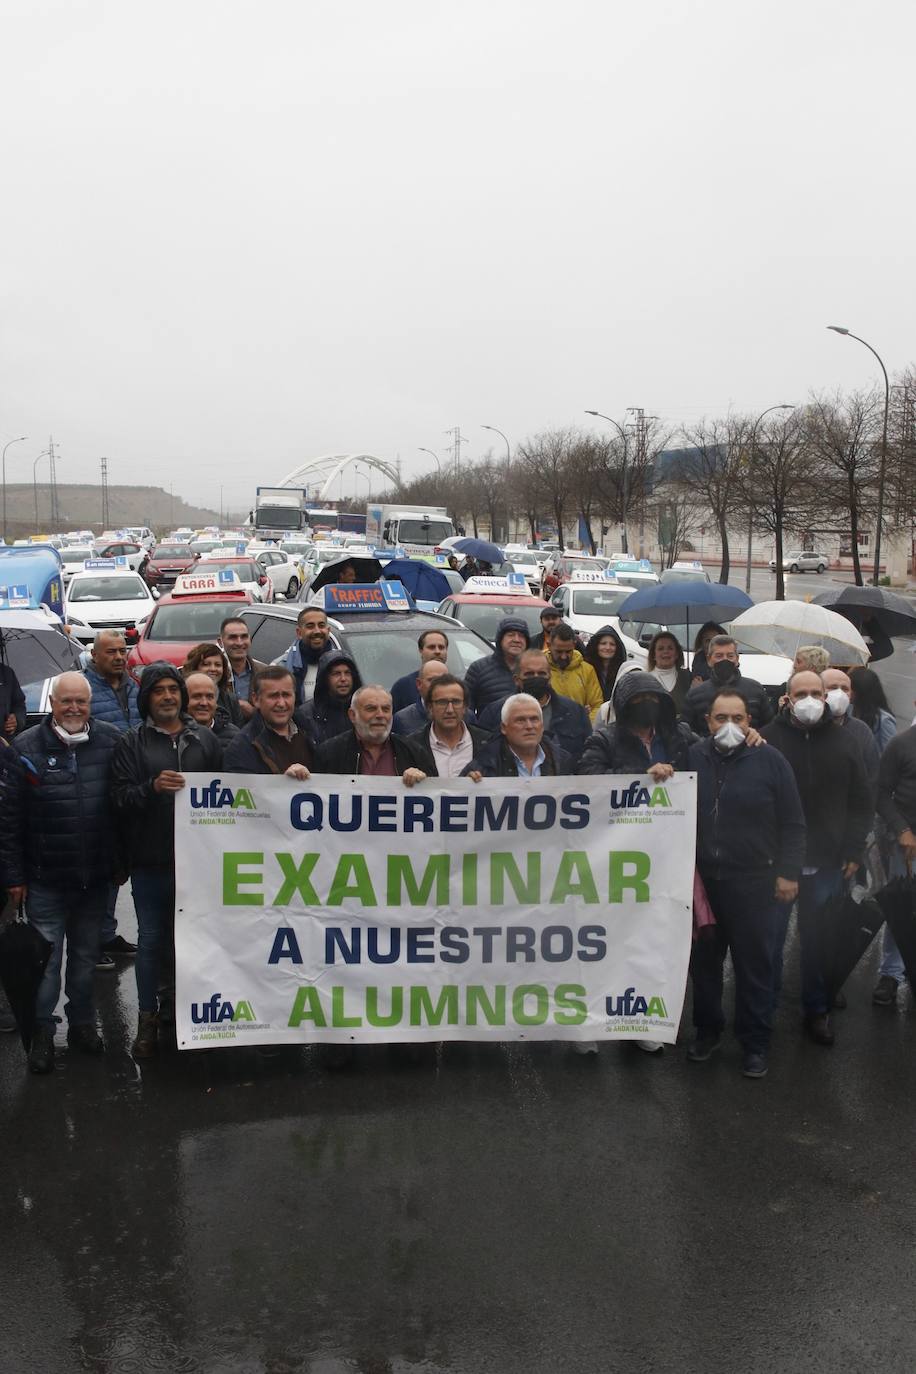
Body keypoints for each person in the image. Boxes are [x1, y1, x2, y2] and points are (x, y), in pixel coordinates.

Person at [0, 672, 122, 1073]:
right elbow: (10, 819)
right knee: (46, 965)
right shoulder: (26, 746)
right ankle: (43, 1036)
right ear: (52, 703)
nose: (73, 708)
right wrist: (14, 876)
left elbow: (120, 807)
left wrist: (118, 864)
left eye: (81, 702)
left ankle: (83, 1025)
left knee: (86, 960)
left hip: (94, 880)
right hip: (45, 878)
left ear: (89, 705)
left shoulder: (109, 740)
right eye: (65, 701)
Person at [687, 689, 806, 1079]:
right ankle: (707, 1030)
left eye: (738, 718)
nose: (730, 726)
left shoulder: (770, 760)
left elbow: (793, 822)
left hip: (754, 882)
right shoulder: (693, 756)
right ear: (708, 721)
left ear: (749, 722)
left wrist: (788, 873)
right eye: (721, 718)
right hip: (705, 883)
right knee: (704, 966)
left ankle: (755, 1042)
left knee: (755, 966)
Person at [111, 662, 223, 1059]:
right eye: (158, 690)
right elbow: (119, 799)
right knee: (152, 942)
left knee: (196, 942)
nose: (167, 696)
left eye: (173, 689)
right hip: (152, 861)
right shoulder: (131, 743)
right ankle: (147, 1020)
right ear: (147, 699)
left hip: (199, 865)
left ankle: (189, 1014)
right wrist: (152, 787)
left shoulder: (204, 740)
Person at [761, 670, 872, 1045]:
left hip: (827, 862)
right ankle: (764, 1011)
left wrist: (854, 848)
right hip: (777, 864)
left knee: (819, 941)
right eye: (801, 693)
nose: (809, 699)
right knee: (771, 941)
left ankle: (816, 1009)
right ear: (787, 698)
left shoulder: (845, 741)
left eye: (816, 692)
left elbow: (861, 801)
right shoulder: (768, 738)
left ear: (825, 697)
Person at [83, 630, 141, 964]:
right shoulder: (86, 690)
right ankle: (94, 940)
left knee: (119, 869)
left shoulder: (134, 688)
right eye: (111, 652)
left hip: (129, 788)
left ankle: (107, 933)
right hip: (99, 789)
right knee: (101, 870)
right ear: (95, 655)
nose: (119, 657)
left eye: (123, 651)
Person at [477, 649, 591, 763]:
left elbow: (587, 755)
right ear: (517, 680)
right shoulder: (495, 712)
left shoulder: (575, 712)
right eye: (529, 674)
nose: (536, 677)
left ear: (550, 678)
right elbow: (483, 756)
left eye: (542, 674)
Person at [577, 670, 695, 779]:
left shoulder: (677, 735)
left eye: (652, 697)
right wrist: (642, 775)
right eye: (639, 698)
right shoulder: (603, 740)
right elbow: (589, 777)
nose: (647, 702)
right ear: (625, 705)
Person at [876, 722, 916, 1005]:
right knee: (902, 911)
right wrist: (902, 830)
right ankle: (890, 974)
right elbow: (880, 793)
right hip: (908, 847)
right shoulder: (901, 744)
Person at [315, 685, 432, 780]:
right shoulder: (329, 753)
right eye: (371, 709)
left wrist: (422, 782)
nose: (380, 715)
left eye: (386, 709)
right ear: (352, 715)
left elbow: (434, 796)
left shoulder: (414, 753)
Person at [224, 666, 315, 775]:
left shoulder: (312, 732)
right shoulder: (241, 748)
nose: (281, 703)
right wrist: (284, 783)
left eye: (286, 695)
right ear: (256, 699)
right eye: (273, 696)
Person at [462, 693, 571, 779]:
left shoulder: (562, 761)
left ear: (542, 726)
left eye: (534, 719)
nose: (529, 726)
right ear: (504, 728)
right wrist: (467, 787)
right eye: (520, 720)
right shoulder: (483, 765)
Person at [681, 635, 774, 735]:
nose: (725, 660)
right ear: (709, 659)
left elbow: (770, 728)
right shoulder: (695, 695)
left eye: (730, 656)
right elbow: (687, 734)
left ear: (737, 659)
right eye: (719, 656)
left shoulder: (756, 689)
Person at [407, 674, 490, 778]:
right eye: (442, 702)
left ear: (465, 707)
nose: (450, 710)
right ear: (430, 707)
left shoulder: (489, 744)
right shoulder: (410, 746)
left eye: (456, 702)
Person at [298, 649, 363, 749]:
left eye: (347, 673)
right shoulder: (306, 714)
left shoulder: (363, 710)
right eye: (336, 674)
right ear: (325, 678)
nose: (343, 679)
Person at [464, 617, 530, 713]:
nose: (516, 640)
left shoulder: (535, 670)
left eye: (521, 636)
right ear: (500, 639)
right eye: (511, 635)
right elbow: (466, 710)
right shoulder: (478, 669)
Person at [278, 606, 333, 706]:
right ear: (299, 633)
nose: (317, 631)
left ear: (328, 630)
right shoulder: (281, 667)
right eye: (310, 626)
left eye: (321, 625)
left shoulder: (341, 665)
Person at [547, 625, 603, 719]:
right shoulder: (539, 669)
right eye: (559, 652)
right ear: (549, 646)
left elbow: (597, 706)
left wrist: (586, 726)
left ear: (574, 645)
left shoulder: (587, 670)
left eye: (568, 651)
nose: (564, 656)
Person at [218, 617, 266, 722]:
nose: (239, 643)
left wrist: (253, 713)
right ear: (220, 642)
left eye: (244, 637)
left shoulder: (264, 673)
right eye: (233, 637)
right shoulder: (213, 673)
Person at [181, 643, 242, 726]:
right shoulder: (181, 696)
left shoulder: (230, 700)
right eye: (206, 664)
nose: (213, 669)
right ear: (194, 667)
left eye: (218, 665)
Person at [390, 631, 450, 712]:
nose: (437, 651)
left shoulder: (458, 686)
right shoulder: (403, 687)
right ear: (421, 651)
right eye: (431, 647)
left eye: (441, 647)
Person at [391, 660, 450, 736]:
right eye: (432, 680)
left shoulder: (464, 716)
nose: (437, 685)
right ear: (419, 684)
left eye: (443, 680)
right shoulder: (402, 720)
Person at [184, 671, 240, 746]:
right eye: (197, 696)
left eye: (209, 697)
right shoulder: (172, 734)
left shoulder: (235, 738)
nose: (204, 703)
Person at [849, 666, 897, 753]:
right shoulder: (850, 710)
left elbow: (890, 755)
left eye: (849, 688)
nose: (846, 692)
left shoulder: (884, 721)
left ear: (860, 691)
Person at [646, 631, 694, 713]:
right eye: (661, 648)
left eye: (670, 648)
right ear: (653, 655)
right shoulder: (646, 680)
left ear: (676, 654)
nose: (665, 651)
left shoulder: (687, 676)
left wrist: (696, 691)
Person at [582, 625, 628, 704]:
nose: (608, 647)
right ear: (596, 645)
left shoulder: (622, 671)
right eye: (603, 643)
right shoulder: (586, 669)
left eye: (612, 644)